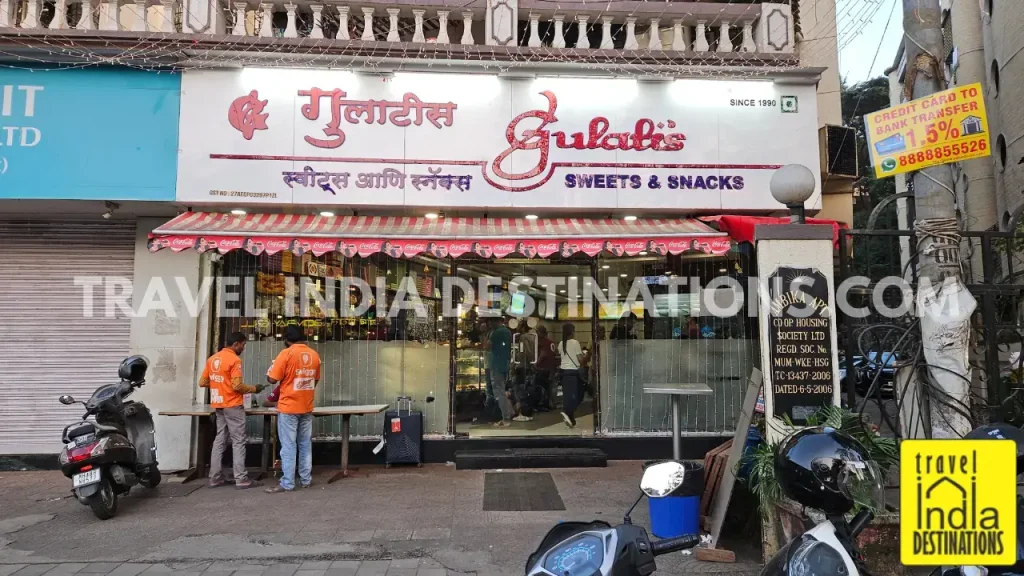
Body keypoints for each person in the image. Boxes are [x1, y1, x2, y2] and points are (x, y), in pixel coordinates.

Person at [199, 332, 266, 489]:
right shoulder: (234, 360)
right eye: (243, 345)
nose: (243, 348)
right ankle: (241, 478)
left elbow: (203, 382)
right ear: (236, 344)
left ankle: (214, 478)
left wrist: (220, 385)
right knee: (238, 441)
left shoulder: (212, 359)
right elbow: (236, 386)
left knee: (220, 439)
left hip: (219, 404)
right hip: (233, 405)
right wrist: (254, 388)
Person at [265, 326, 322, 493]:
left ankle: (287, 483)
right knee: (305, 444)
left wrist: (271, 372)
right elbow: (315, 380)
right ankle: (306, 480)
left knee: (288, 446)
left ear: (287, 340)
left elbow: (272, 379)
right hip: (306, 405)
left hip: (289, 407)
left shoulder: (286, 354)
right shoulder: (314, 355)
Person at [488, 317, 514, 427]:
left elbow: (487, 346)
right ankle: (510, 411)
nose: (489, 323)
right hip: (505, 364)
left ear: (496, 321)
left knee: (499, 391)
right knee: (503, 389)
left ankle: (505, 416)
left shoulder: (495, 333)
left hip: (496, 365)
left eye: (490, 321)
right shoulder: (508, 332)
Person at [558, 323, 584, 428]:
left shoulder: (560, 344)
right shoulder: (575, 342)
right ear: (572, 331)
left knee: (568, 396)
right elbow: (580, 360)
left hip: (564, 373)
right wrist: (587, 356)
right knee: (578, 396)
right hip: (573, 373)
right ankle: (567, 412)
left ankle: (570, 418)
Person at [535, 325, 558, 409]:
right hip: (551, 367)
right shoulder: (551, 342)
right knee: (551, 385)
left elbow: (543, 354)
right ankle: (552, 402)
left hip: (543, 368)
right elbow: (554, 353)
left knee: (545, 386)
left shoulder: (541, 342)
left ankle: (545, 403)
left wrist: (536, 364)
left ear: (540, 333)